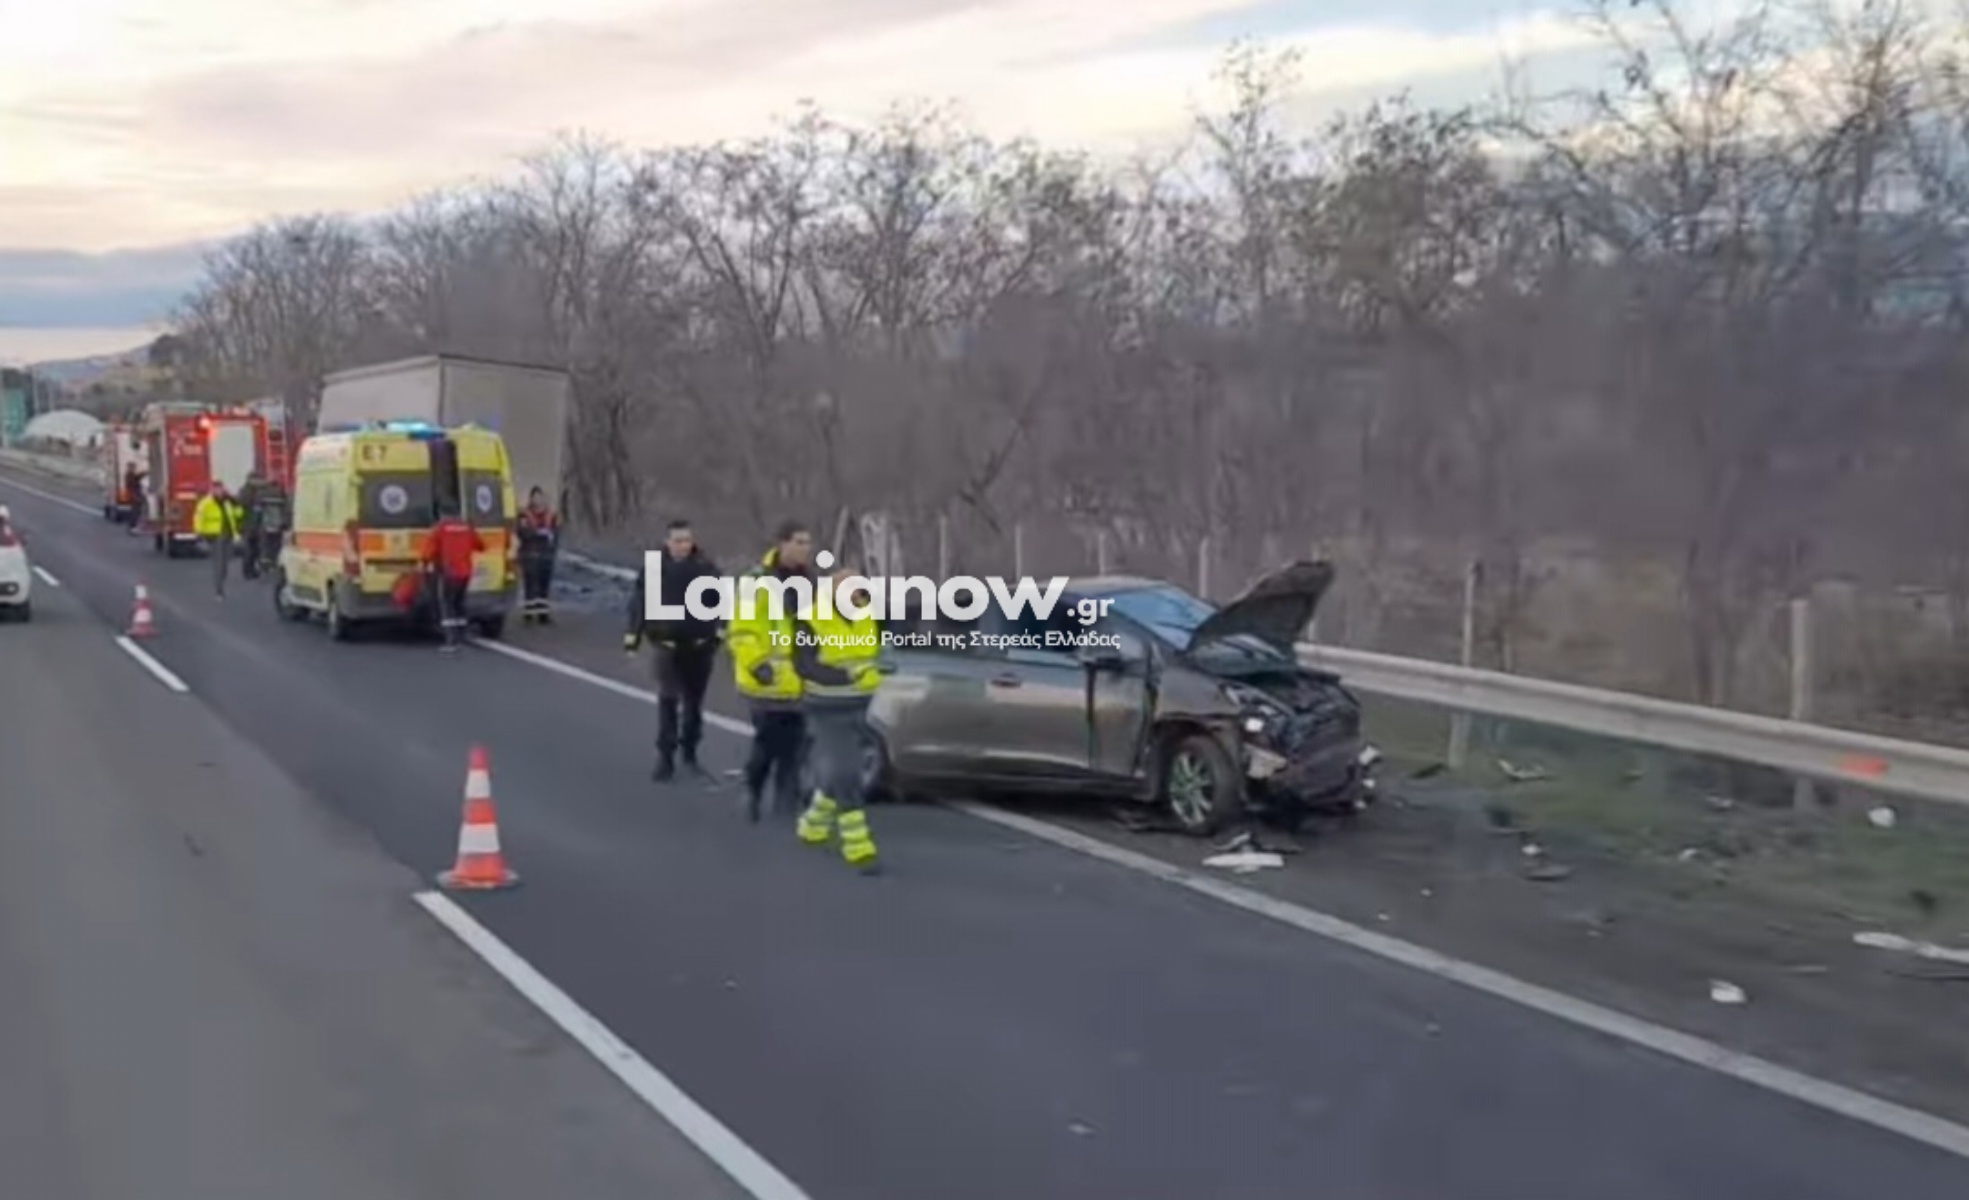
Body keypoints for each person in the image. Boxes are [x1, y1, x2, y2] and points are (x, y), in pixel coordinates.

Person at [791, 564, 886, 872]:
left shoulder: (867, 615)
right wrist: (846, 676)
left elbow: (876, 653)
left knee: (840, 770)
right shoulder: (809, 620)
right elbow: (804, 665)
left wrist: (874, 673)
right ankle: (858, 845)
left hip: (862, 703)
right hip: (825, 705)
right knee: (846, 773)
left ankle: (813, 824)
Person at [726, 520, 815, 822]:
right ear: (782, 543)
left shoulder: (810, 583)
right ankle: (752, 787)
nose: (805, 548)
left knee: (797, 745)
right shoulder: (756, 581)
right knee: (769, 742)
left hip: (801, 679)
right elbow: (742, 629)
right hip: (766, 679)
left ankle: (786, 805)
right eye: (799, 542)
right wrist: (756, 663)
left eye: (807, 543)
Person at [624, 518, 723, 781]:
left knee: (694, 703)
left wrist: (719, 634)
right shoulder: (655, 568)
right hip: (667, 646)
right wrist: (633, 637)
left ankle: (690, 751)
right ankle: (665, 756)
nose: (683, 546)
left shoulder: (705, 568)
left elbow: (721, 603)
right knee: (668, 699)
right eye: (678, 541)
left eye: (687, 540)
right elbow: (639, 603)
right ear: (667, 542)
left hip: (699, 646)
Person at [421, 505, 485, 652]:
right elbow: (481, 545)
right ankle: (462, 635)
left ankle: (451, 641)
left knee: (447, 605)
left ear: (442, 514)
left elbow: (429, 550)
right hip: (466, 572)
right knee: (459, 603)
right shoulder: (467, 527)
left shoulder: (440, 528)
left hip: (450, 572)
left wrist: (425, 563)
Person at [191, 482, 245, 599]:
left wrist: (235, 503)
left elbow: (239, 515)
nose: (220, 492)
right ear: (213, 491)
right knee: (219, 563)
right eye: (218, 490)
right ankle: (219, 589)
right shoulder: (206, 503)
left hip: (229, 535)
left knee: (226, 562)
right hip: (215, 534)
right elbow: (198, 517)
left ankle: (221, 581)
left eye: (221, 489)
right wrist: (199, 532)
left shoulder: (227, 502)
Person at [516, 487, 561, 624]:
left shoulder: (551, 515)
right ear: (531, 499)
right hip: (530, 554)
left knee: (544, 585)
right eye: (535, 497)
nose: (538, 500)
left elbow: (556, 532)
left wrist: (552, 544)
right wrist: (539, 534)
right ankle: (529, 614)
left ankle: (543, 614)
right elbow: (523, 532)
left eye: (540, 497)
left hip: (546, 555)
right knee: (530, 585)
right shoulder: (524, 515)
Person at [236, 472, 266, 579]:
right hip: (247, 525)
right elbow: (242, 507)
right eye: (258, 480)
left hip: (255, 525)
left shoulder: (256, 491)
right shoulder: (246, 492)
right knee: (249, 551)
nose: (260, 482)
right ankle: (248, 571)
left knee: (255, 550)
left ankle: (252, 570)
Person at [121, 462, 145, 536]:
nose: (134, 469)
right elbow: (135, 481)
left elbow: (137, 478)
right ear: (130, 467)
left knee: (136, 511)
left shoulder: (130, 475)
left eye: (134, 467)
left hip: (134, 494)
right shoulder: (129, 475)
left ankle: (133, 527)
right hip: (134, 495)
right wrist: (136, 496)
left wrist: (143, 474)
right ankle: (133, 527)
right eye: (132, 467)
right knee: (135, 511)